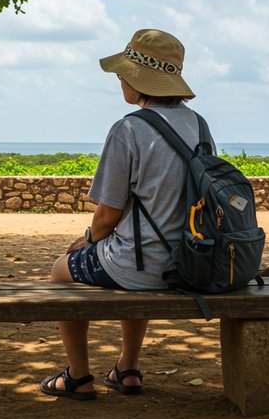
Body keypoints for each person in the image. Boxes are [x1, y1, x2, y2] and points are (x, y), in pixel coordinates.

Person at [40, 28, 204, 400]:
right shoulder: (198, 125)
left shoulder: (129, 129)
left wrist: (84, 241)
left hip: (139, 266)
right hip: (189, 263)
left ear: (138, 80)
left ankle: (78, 376)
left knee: (60, 270)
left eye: (121, 76)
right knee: (139, 260)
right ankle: (127, 368)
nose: (120, 84)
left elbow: (106, 217)